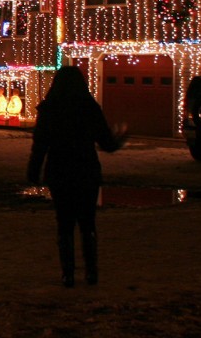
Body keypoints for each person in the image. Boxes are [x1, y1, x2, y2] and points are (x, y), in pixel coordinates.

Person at [26, 65, 127, 288]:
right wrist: (119, 139)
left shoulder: (50, 108)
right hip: (85, 170)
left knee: (64, 224)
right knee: (87, 223)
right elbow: (106, 142)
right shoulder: (89, 107)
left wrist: (34, 170)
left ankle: (68, 273)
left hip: (60, 171)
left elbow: (40, 143)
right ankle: (91, 271)